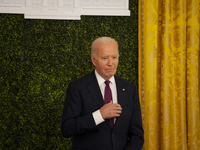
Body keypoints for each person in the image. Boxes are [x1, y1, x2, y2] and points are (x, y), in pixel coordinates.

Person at [61, 37, 144, 150]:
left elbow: (137, 135)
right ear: (94, 60)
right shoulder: (78, 87)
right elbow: (67, 128)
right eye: (105, 58)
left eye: (114, 57)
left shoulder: (130, 89)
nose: (110, 63)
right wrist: (100, 115)